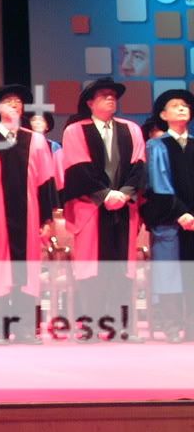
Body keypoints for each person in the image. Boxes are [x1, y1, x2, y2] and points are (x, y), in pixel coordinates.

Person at [61, 77, 146, 343]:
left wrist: (125, 193)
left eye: (113, 95)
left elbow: (139, 166)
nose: (111, 98)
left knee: (122, 270)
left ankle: (122, 327)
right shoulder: (75, 131)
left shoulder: (131, 129)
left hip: (124, 208)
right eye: (103, 95)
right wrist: (105, 194)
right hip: (90, 208)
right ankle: (90, 327)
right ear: (90, 102)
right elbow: (78, 169)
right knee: (91, 270)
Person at [0, 85, 57, 344]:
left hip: (29, 218)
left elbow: (46, 182)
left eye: (18, 101)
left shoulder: (36, 141)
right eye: (8, 101)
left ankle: (26, 329)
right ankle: (0, 328)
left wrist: (46, 219)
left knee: (28, 272)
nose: (13, 104)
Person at [140, 89, 194, 343]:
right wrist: (182, 213)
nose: (182, 108)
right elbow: (158, 184)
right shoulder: (157, 146)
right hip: (168, 219)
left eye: (185, 105)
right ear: (163, 115)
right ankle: (172, 325)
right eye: (175, 105)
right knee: (170, 272)